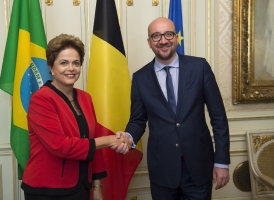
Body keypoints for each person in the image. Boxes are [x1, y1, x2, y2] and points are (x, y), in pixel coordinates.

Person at [114, 17, 230, 199]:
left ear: (176, 38)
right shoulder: (140, 78)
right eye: (156, 36)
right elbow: (138, 120)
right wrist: (128, 137)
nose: (163, 41)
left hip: (199, 167)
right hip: (162, 170)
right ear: (149, 42)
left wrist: (222, 162)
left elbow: (219, 118)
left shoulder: (199, 67)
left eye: (168, 34)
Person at [21, 34, 131, 200]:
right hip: (47, 189)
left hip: (81, 186)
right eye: (63, 63)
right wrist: (111, 140)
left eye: (76, 63)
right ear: (51, 66)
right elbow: (61, 146)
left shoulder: (85, 98)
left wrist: (97, 187)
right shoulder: (41, 99)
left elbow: (94, 144)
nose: (71, 68)